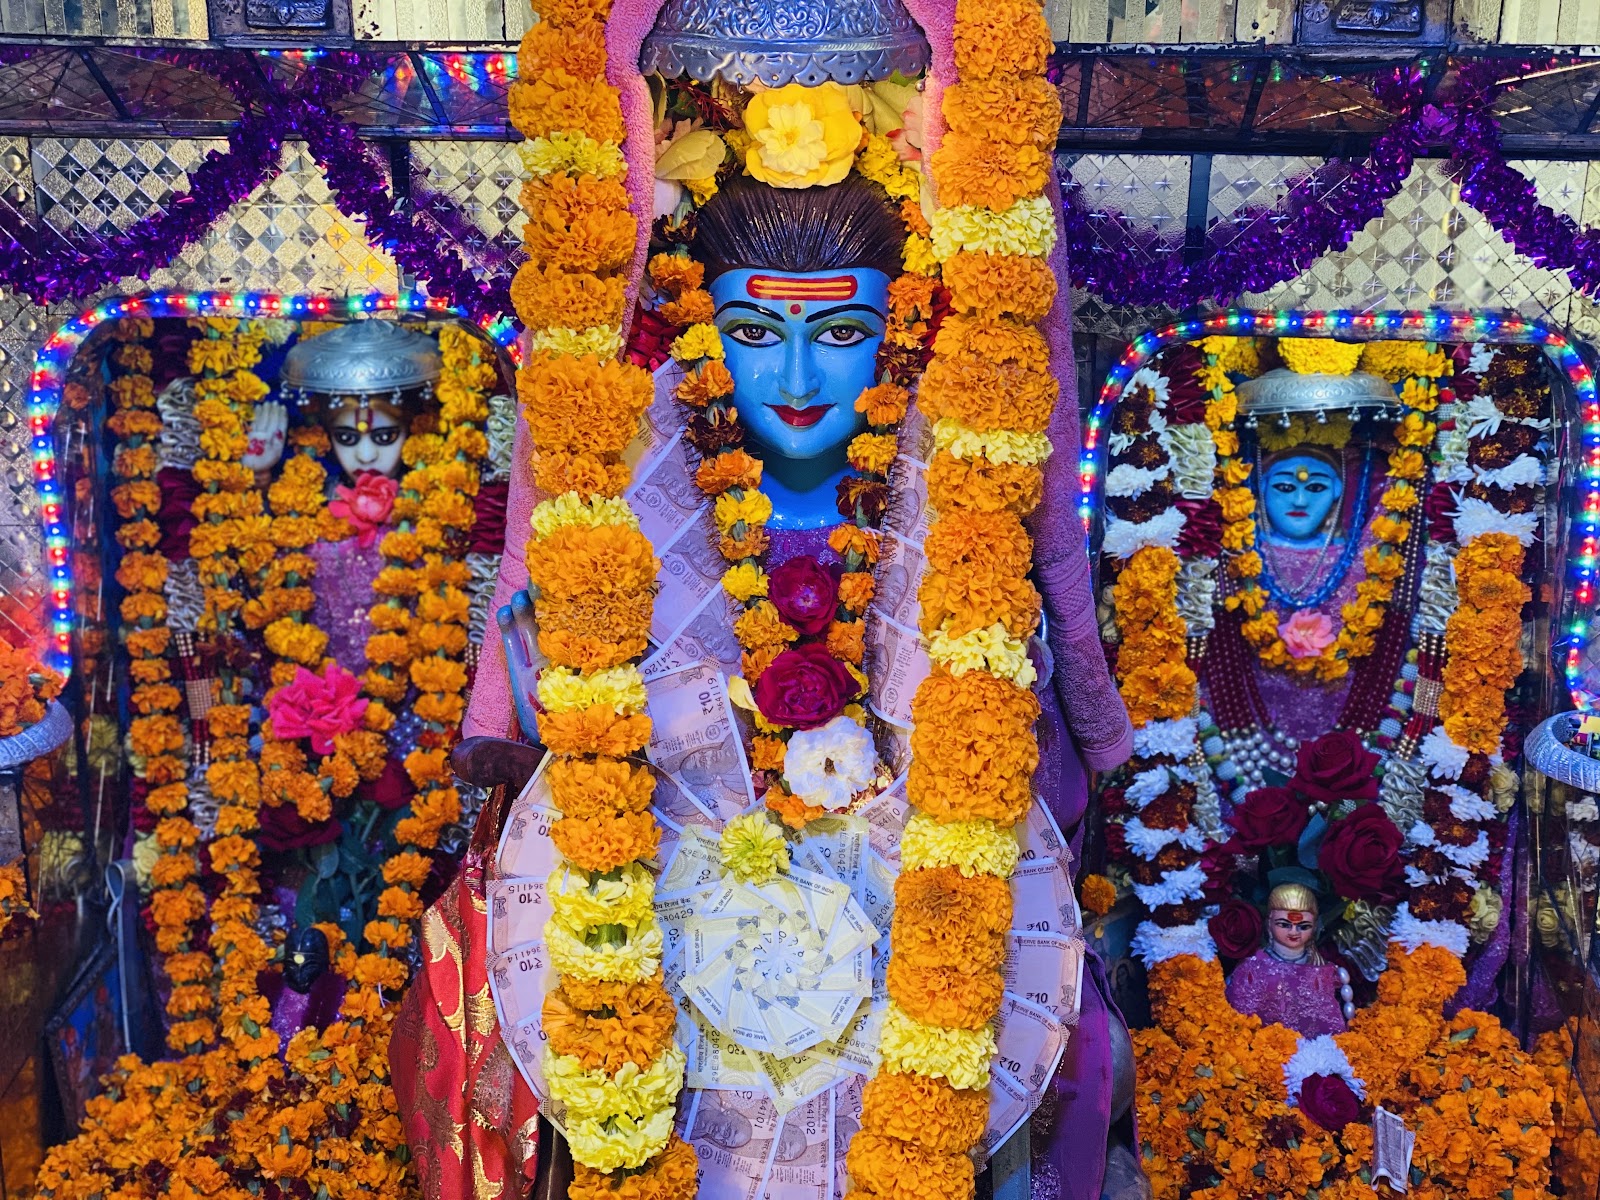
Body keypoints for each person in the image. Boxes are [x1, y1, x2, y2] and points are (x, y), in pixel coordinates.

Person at [1225, 883, 1354, 1037]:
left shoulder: (1325, 972)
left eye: (1303, 926)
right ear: (1269, 924)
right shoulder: (1251, 970)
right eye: (1284, 925)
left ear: (1314, 928)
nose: (1294, 932)